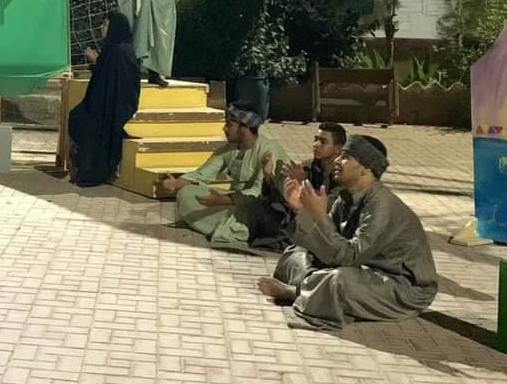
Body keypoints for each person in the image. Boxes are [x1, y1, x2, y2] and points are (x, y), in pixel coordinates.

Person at [257, 135, 438, 332]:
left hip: (400, 287)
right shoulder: (346, 197)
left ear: (365, 168)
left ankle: (297, 292)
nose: (336, 160)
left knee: (339, 281)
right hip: (360, 269)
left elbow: (349, 257)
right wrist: (301, 210)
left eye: (345, 157)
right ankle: (313, 290)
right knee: (295, 254)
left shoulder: (381, 204)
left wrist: (319, 217)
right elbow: (328, 244)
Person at [161, 103, 288, 244]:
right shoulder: (230, 148)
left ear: (244, 128)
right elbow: (202, 174)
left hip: (263, 210)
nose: (224, 129)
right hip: (236, 202)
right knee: (186, 193)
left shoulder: (269, 150)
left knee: (246, 213)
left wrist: (226, 199)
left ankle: (231, 227)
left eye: (229, 125)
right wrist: (176, 183)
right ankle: (223, 224)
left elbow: (258, 191)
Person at [68, 12, 141, 187]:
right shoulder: (115, 49)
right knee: (78, 116)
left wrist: (97, 60)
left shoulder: (119, 52)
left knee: (84, 122)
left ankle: (90, 169)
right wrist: (98, 61)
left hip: (112, 108)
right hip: (105, 104)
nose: (103, 27)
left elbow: (116, 83)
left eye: (106, 25)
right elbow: (106, 77)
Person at [250, 122, 347, 250]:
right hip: (300, 214)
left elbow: (328, 205)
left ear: (338, 149)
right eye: (315, 140)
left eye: (323, 142)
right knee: (269, 203)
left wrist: (303, 182)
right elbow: (286, 196)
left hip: (326, 223)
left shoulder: (342, 172)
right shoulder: (308, 165)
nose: (316, 145)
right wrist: (269, 176)